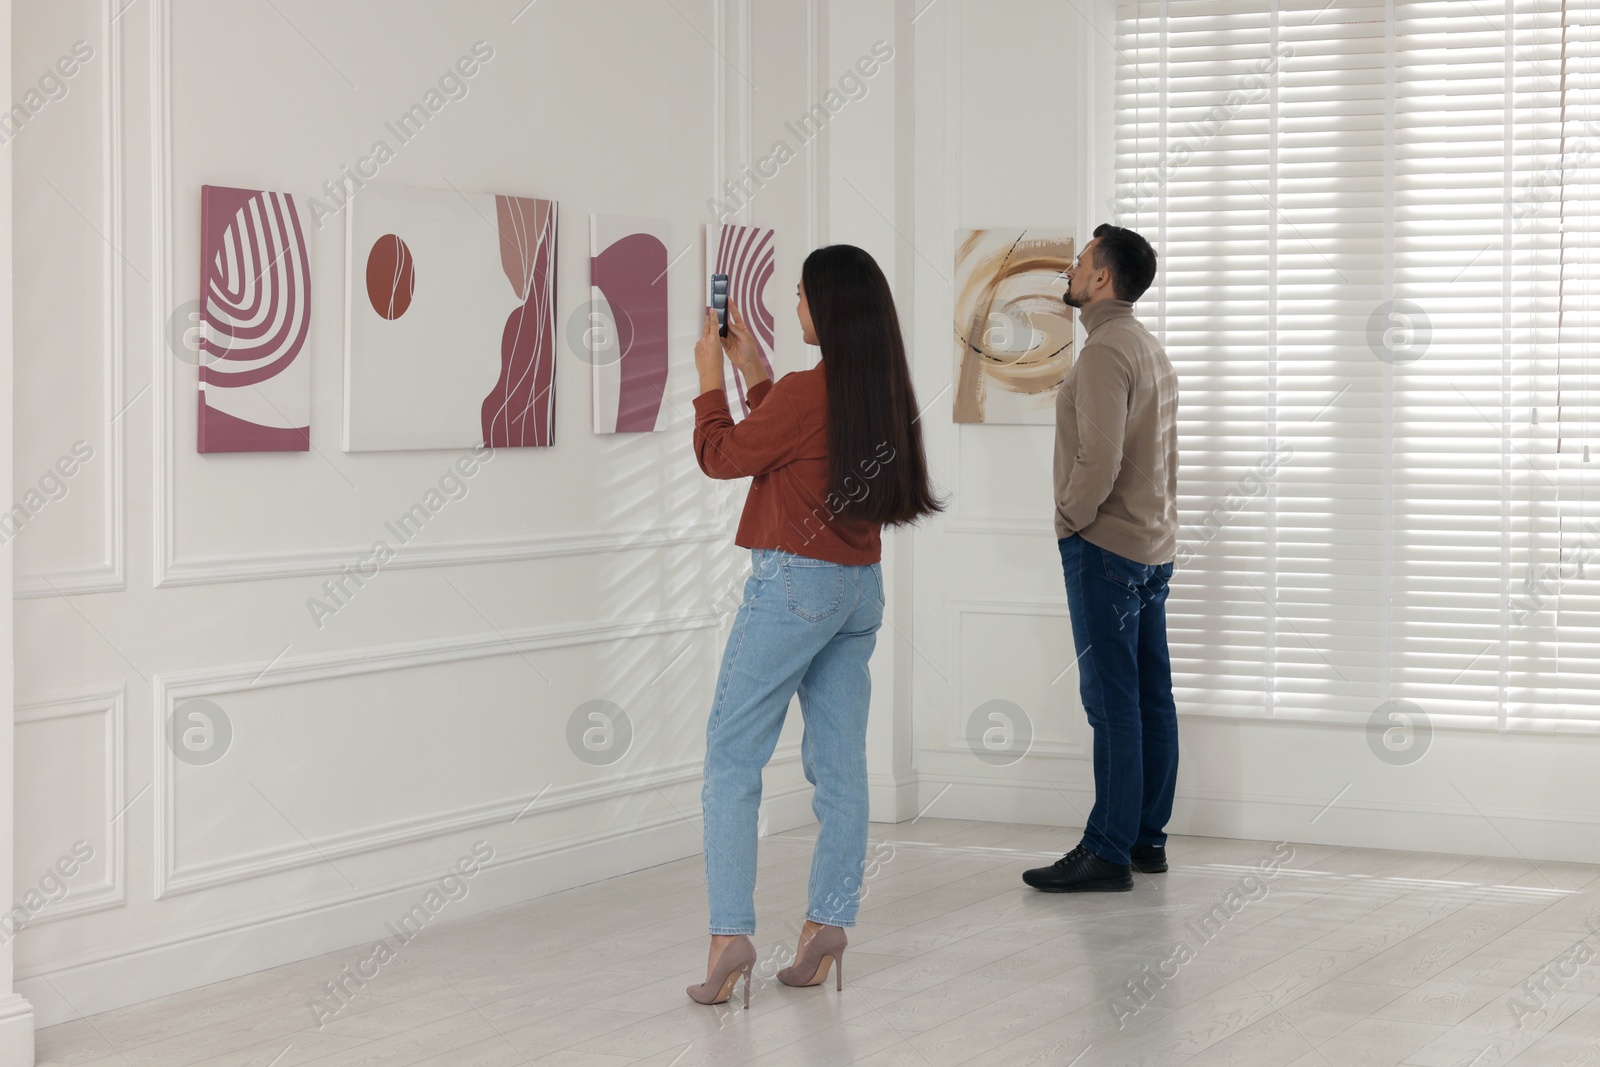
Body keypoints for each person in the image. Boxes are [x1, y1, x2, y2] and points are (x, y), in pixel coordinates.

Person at [684, 245, 942, 1009]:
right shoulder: (877, 390)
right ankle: (826, 924)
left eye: (800, 295)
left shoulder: (805, 391)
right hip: (858, 591)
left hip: (793, 586)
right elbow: (795, 439)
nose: (794, 306)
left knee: (731, 760)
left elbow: (722, 454)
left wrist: (708, 376)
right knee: (840, 771)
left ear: (827, 307)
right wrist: (754, 365)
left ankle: (729, 938)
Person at [1023, 223, 1180, 894]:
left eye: (1081, 261)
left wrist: (1068, 520)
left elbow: (1101, 460)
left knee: (1112, 703)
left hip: (1108, 548)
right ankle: (1145, 838)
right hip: (1150, 548)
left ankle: (1108, 849)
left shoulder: (1105, 353)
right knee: (1149, 697)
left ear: (1102, 280)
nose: (1070, 268)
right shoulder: (1145, 345)